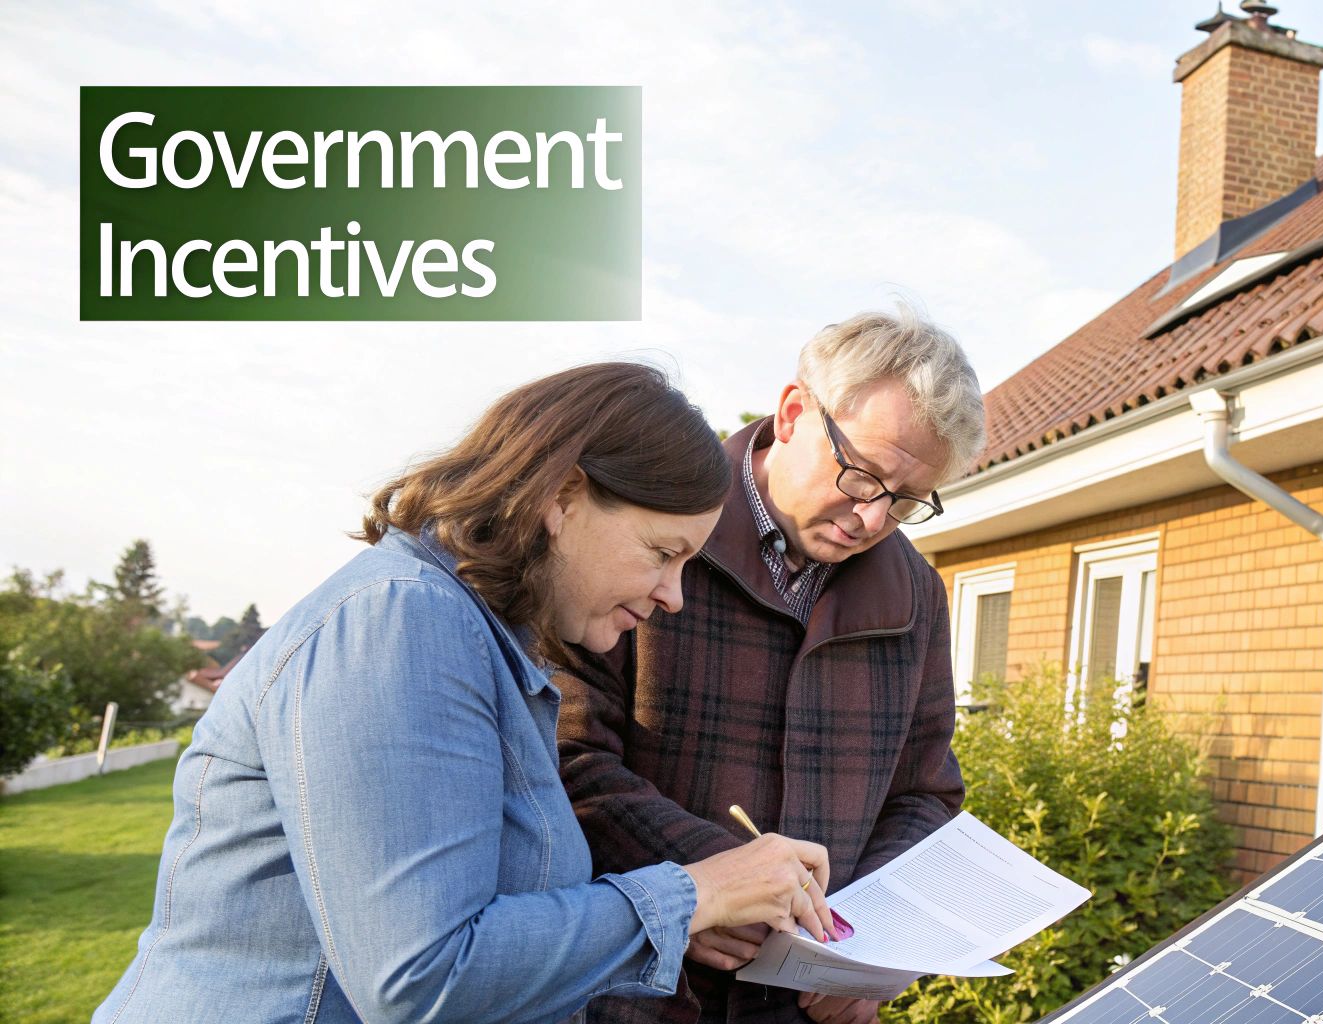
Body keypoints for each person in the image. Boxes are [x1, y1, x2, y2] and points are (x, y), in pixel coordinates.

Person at [94, 363, 836, 1024]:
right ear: (563, 496)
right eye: (661, 553)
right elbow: (419, 976)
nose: (675, 595)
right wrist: (693, 895)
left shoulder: (474, 636)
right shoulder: (400, 624)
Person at [558, 308, 988, 1024]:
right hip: (635, 993)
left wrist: (868, 946)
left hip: (805, 1007)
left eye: (907, 501)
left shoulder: (916, 593)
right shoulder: (647, 525)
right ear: (793, 413)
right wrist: (701, 885)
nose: (874, 520)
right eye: (863, 476)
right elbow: (564, 752)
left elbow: (925, 795)